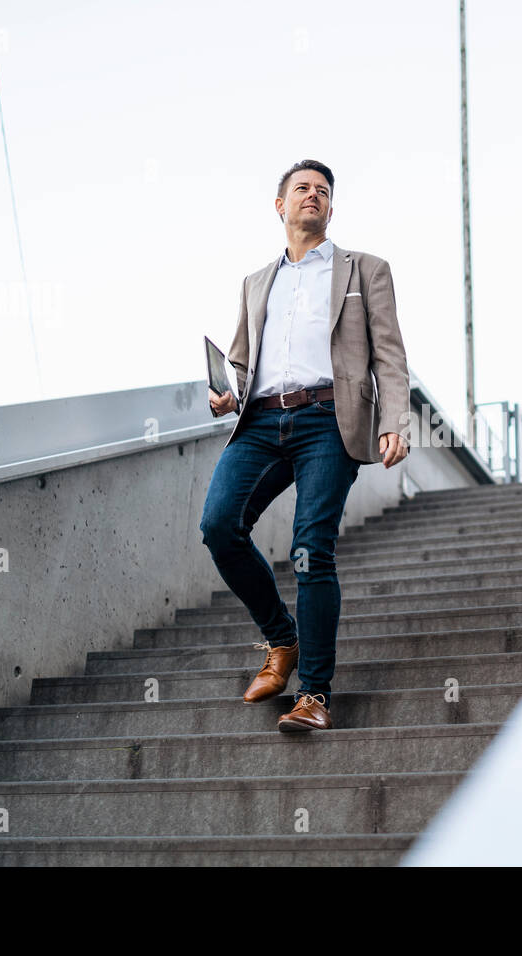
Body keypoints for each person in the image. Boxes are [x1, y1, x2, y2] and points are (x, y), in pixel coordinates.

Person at [200, 159, 410, 733]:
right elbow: (242, 360)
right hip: (263, 421)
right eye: (301, 189)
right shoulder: (255, 283)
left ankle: (314, 693)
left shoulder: (365, 270)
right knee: (219, 525)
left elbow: (389, 355)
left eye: (322, 191)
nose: (311, 196)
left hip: (328, 419)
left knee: (311, 549)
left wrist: (395, 420)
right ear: (280, 206)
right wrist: (227, 394)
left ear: (331, 210)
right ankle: (282, 640)